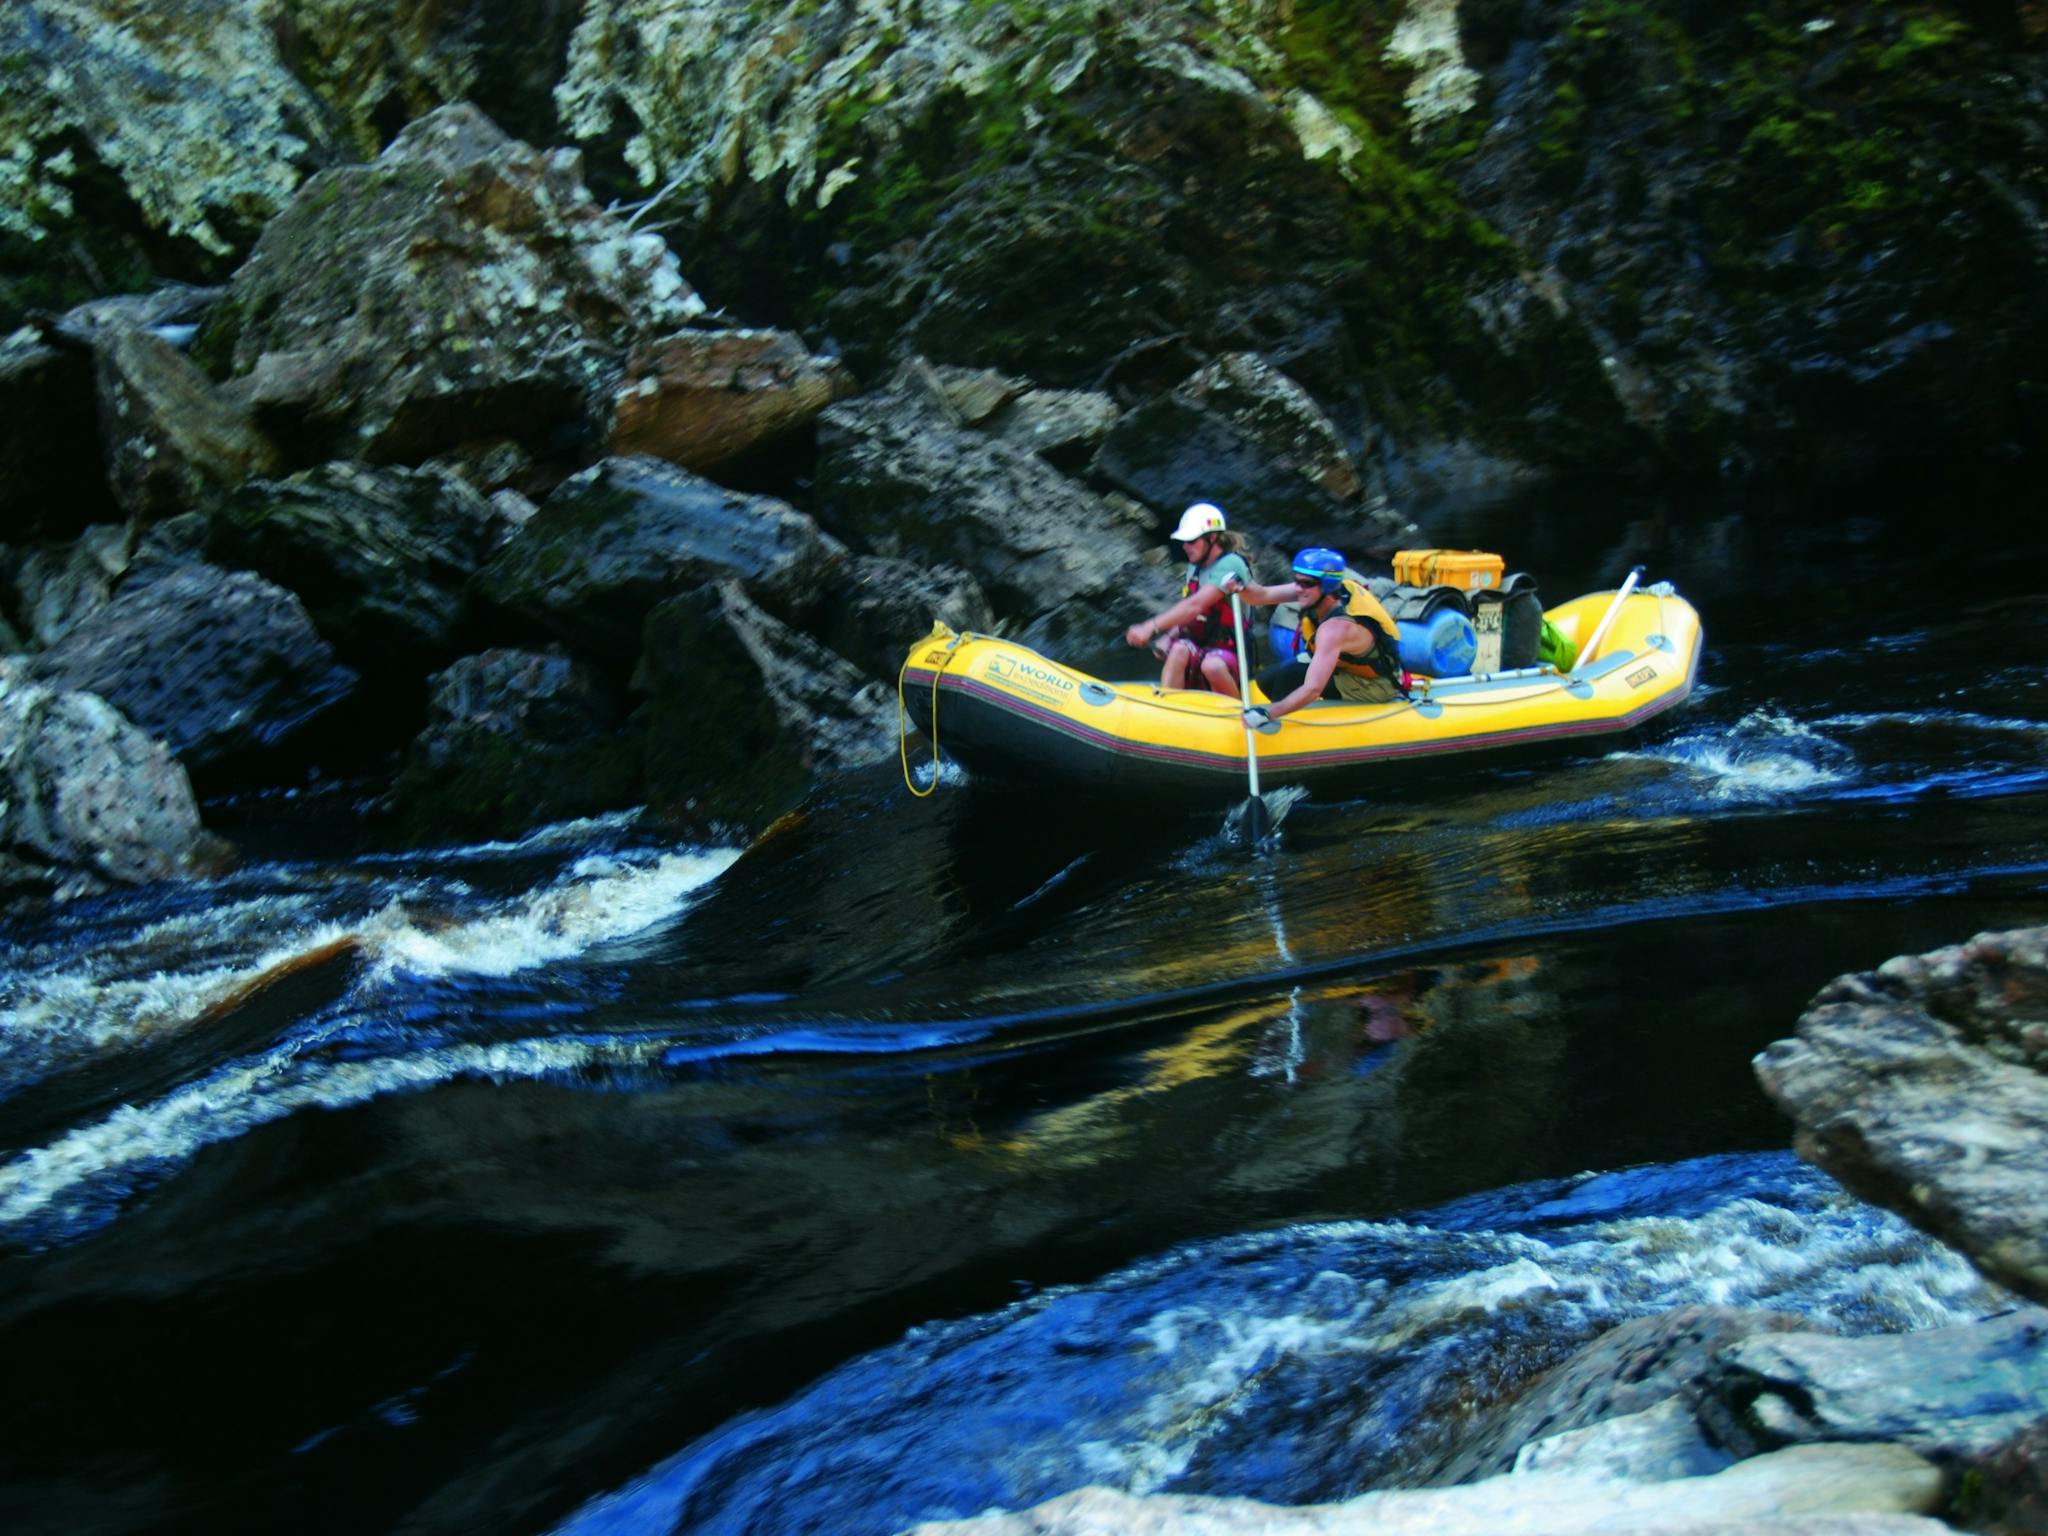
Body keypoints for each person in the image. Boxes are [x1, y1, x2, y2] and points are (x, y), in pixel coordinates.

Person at [1227, 547, 1405, 725]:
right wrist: (1240, 585)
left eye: (1306, 583)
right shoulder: (1319, 593)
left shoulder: (1336, 628)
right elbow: (1260, 596)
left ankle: (1282, 730)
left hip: (1374, 686)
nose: (1298, 588)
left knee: (1289, 678)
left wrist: (1269, 713)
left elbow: (1312, 689)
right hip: (1345, 666)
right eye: (1296, 581)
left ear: (1326, 586)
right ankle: (1291, 718)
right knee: (1267, 678)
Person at [1124, 502, 1255, 694]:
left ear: (1212, 538)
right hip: (1202, 646)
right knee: (1179, 649)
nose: (1185, 546)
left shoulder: (1231, 564)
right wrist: (1168, 637)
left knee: (1212, 665)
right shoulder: (1194, 569)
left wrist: (1150, 626)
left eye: (1191, 541)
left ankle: (1237, 714)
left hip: (1231, 655)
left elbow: (1196, 605)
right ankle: (1170, 705)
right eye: (1184, 541)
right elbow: (1192, 614)